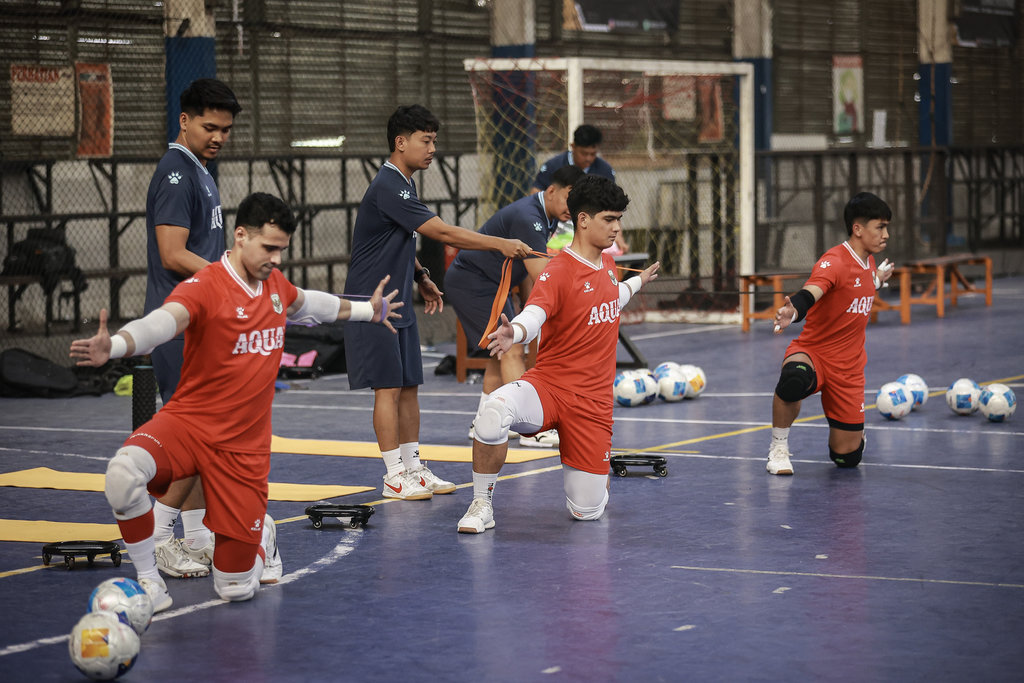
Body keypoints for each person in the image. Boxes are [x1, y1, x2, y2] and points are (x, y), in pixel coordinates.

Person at [70, 192, 401, 611]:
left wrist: (366, 311)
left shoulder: (275, 286)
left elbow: (309, 303)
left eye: (282, 249)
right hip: (189, 423)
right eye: (269, 248)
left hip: (243, 449)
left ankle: (262, 535)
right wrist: (116, 344)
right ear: (240, 236)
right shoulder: (206, 287)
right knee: (122, 474)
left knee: (235, 590)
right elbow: (160, 323)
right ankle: (150, 585)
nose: (276, 259)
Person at [343, 104, 531, 501]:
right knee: (388, 389)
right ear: (401, 142)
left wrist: (422, 276)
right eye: (425, 141)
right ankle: (393, 475)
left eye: (434, 141)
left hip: (398, 301)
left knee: (409, 387)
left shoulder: (404, 185)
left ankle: (413, 467)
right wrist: (501, 244)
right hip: (373, 303)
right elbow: (442, 232)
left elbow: (393, 241)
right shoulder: (388, 185)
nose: (432, 149)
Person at [456, 175, 660, 533]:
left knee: (587, 512)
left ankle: (592, 476)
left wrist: (639, 281)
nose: (617, 228)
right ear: (583, 220)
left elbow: (612, 296)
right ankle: (481, 504)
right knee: (492, 414)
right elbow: (535, 313)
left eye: (619, 219)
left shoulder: (609, 268)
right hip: (549, 388)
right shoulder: (559, 270)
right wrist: (514, 331)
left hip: (592, 405)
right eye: (609, 219)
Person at [144, 78, 242, 578]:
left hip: (199, 324)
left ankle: (199, 538)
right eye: (209, 126)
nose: (219, 136)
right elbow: (172, 253)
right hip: (178, 325)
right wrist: (230, 279)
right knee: (194, 438)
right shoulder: (177, 173)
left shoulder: (200, 170)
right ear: (184, 120)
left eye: (225, 128)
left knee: (207, 438)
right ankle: (158, 539)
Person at [446, 165, 585, 449]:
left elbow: (530, 273)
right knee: (512, 349)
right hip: (473, 282)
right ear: (551, 190)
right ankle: (529, 430)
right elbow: (543, 276)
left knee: (500, 349)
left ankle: (482, 421)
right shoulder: (529, 217)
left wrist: (532, 310)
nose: (573, 206)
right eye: (569, 197)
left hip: (496, 284)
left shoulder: (549, 217)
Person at [767, 192, 895, 475]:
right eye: (880, 226)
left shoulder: (869, 262)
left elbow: (859, 286)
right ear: (858, 229)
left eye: (887, 227)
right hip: (815, 353)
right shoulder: (834, 261)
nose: (886, 234)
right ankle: (778, 448)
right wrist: (794, 312)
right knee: (793, 380)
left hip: (849, 369)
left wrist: (877, 280)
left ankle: (853, 438)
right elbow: (813, 290)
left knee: (846, 459)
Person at [535, 124, 627, 255]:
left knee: (614, 251)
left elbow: (612, 206)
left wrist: (619, 236)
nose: (589, 158)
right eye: (584, 153)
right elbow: (536, 194)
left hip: (592, 227)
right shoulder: (553, 166)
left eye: (593, 154)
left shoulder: (604, 169)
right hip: (558, 227)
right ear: (573, 147)